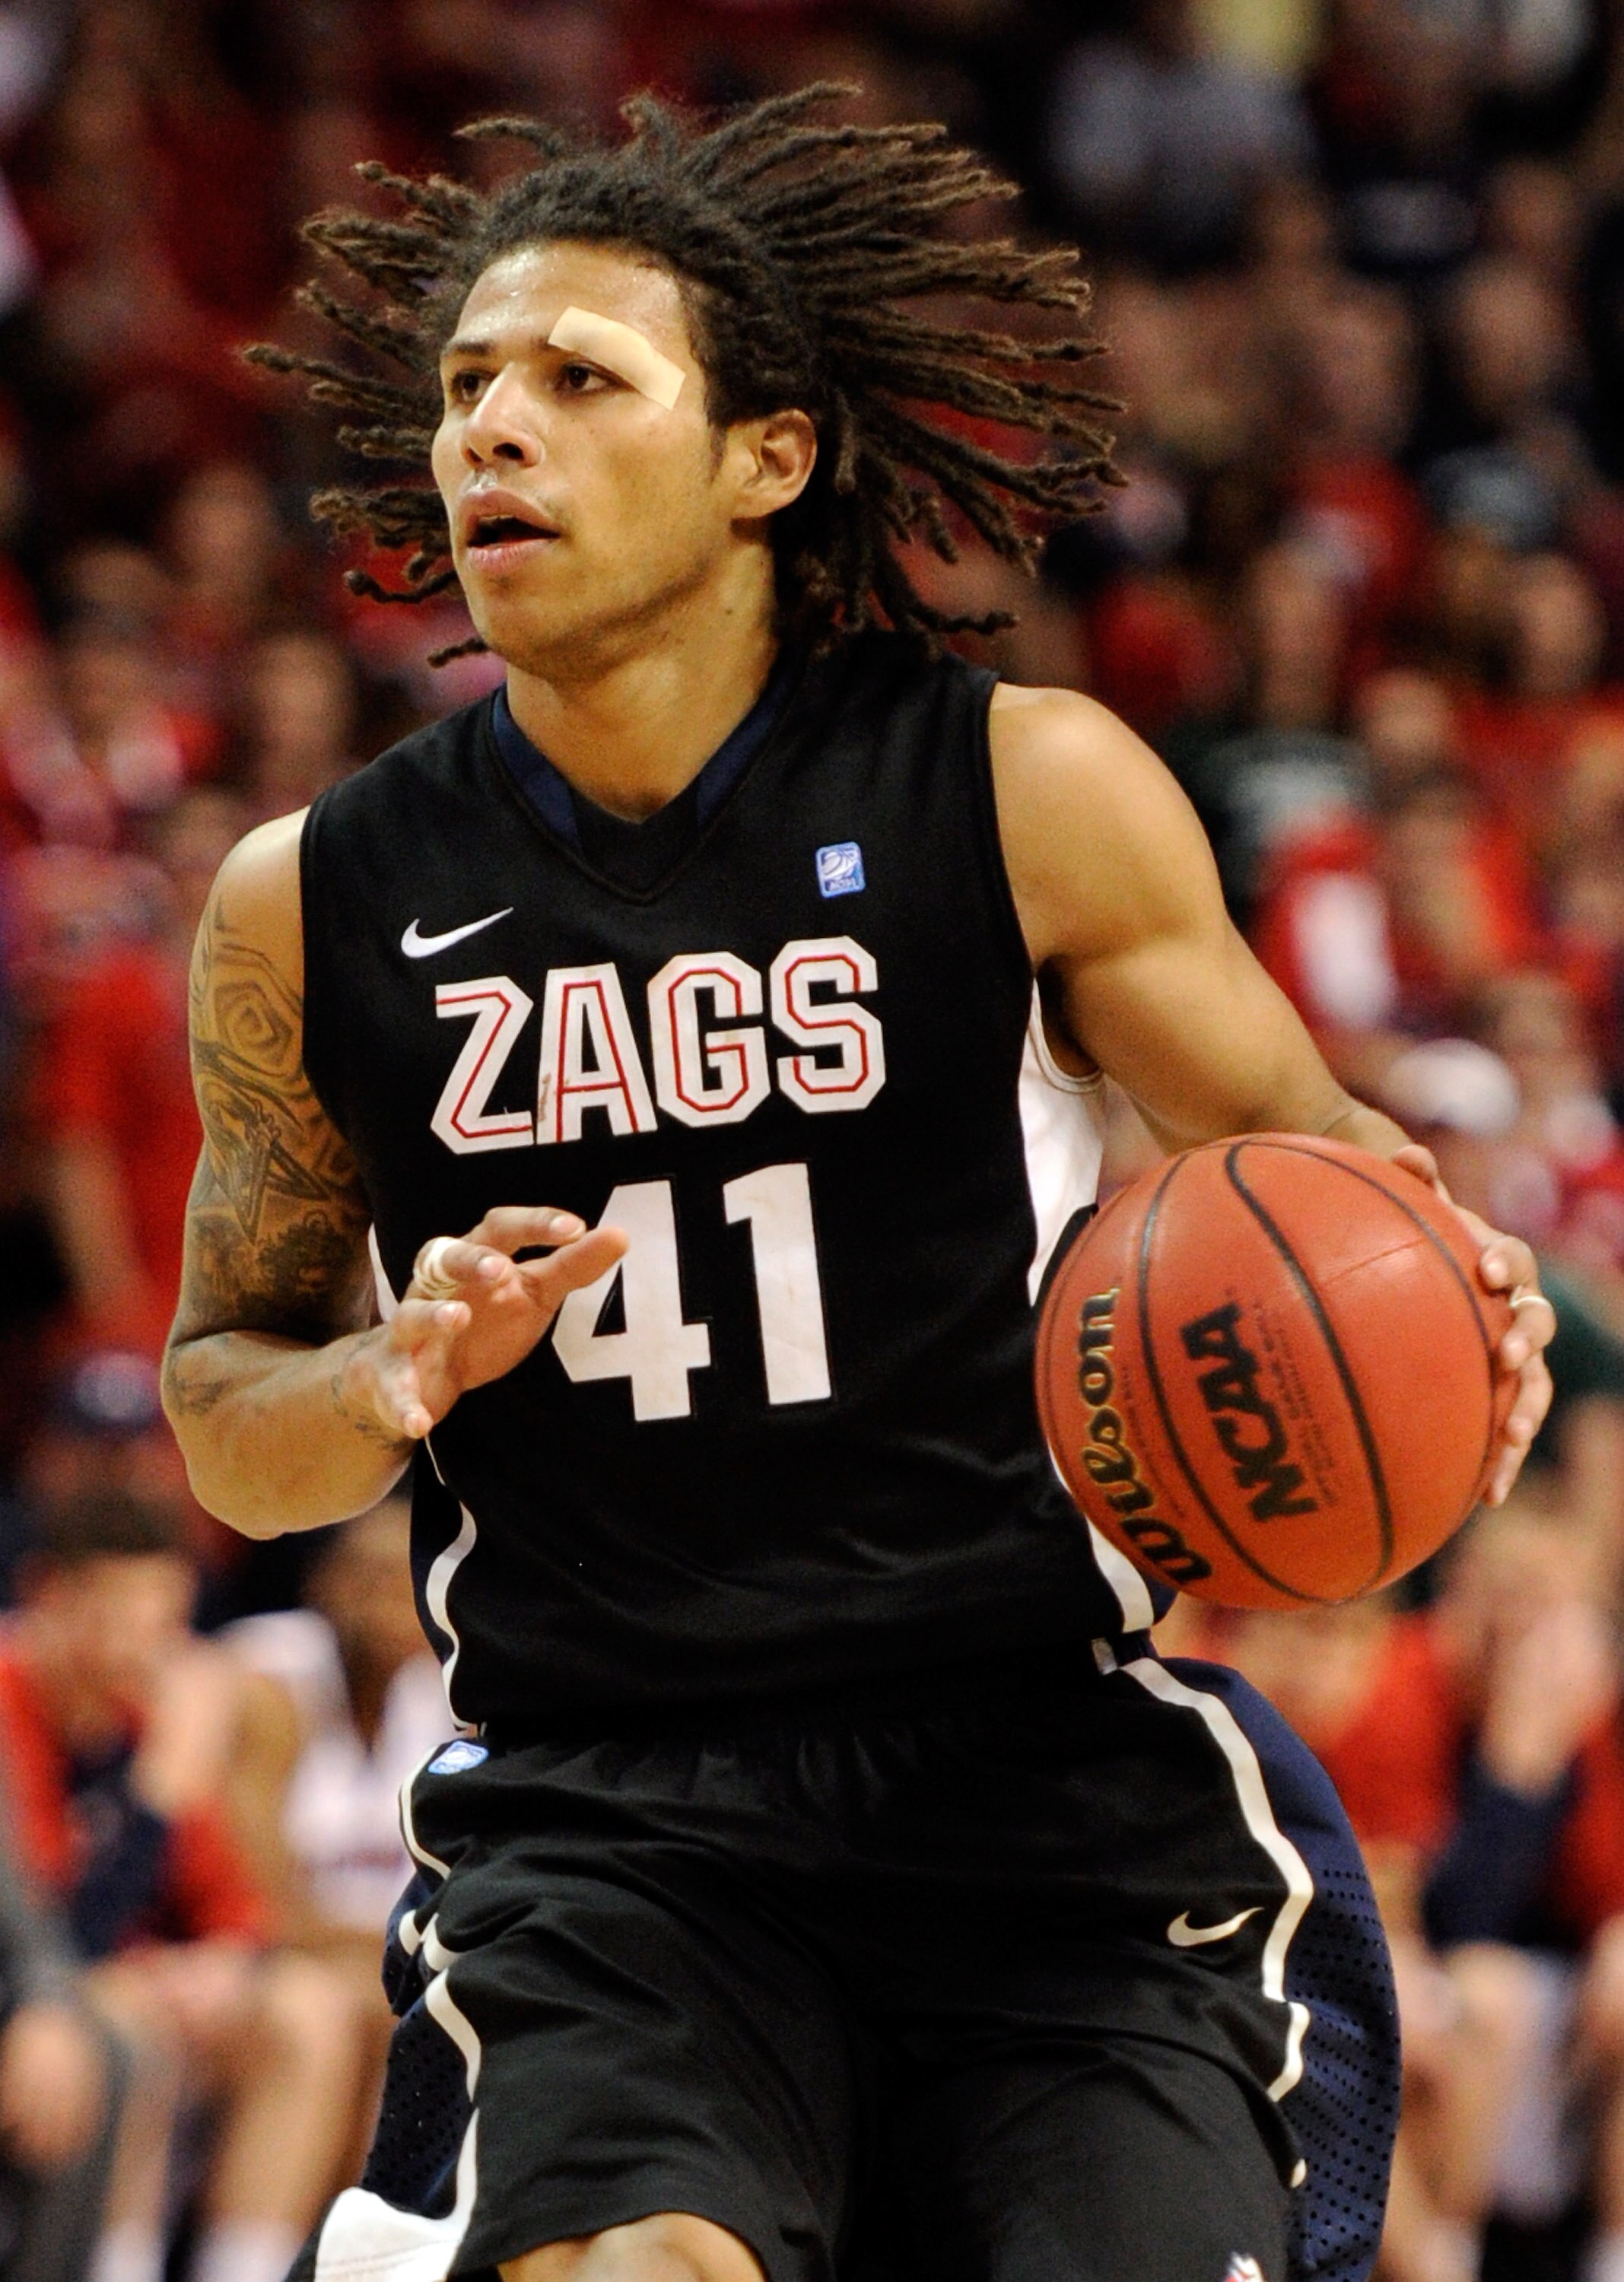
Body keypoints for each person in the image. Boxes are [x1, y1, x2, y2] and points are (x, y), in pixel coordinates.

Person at [160, 91, 1556, 2282]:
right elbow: (225, 1413)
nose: (490, 434)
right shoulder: (309, 904)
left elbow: (1336, 1190)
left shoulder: (1026, 795)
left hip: (1038, 1788)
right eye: (462, 390)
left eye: (578, 381)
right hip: (614, 1820)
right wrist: (390, 1377)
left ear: (769, 457)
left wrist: (1474, 1329)